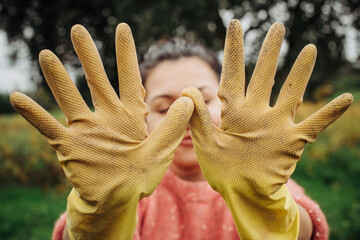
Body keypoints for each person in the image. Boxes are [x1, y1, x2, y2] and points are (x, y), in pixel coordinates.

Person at [10, 20, 352, 240]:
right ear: (140, 118)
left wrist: (265, 205)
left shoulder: (273, 183)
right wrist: (101, 213)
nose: (186, 116)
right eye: (163, 107)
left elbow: (308, 229)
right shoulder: (132, 196)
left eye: (204, 100)